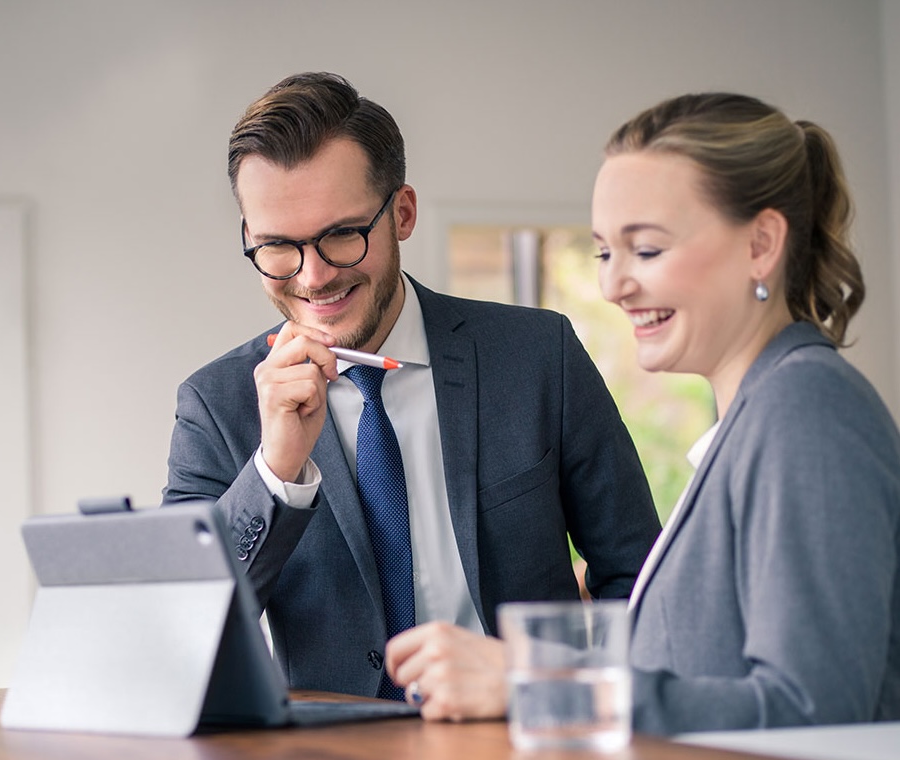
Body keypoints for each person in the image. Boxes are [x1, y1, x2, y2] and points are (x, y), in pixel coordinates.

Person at [163, 72, 660, 716]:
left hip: (530, 748)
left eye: (342, 233)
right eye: (278, 247)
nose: (313, 277)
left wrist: (546, 682)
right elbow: (179, 632)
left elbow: (646, 586)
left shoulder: (539, 356)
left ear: (402, 212)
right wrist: (276, 471)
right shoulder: (217, 403)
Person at [588, 92, 900, 734]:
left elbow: (815, 714)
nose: (613, 285)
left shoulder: (806, 409)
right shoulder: (756, 414)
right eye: (603, 253)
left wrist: (544, 689)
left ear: (761, 244)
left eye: (645, 250)